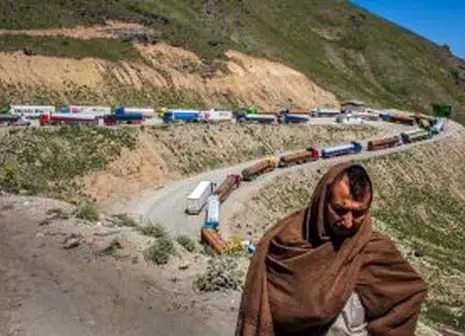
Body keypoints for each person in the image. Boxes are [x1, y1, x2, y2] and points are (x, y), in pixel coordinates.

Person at [235, 162, 427, 336]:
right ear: (322, 200)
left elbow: (411, 292)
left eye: (359, 213)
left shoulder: (373, 249)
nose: (348, 222)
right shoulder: (285, 243)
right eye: (340, 210)